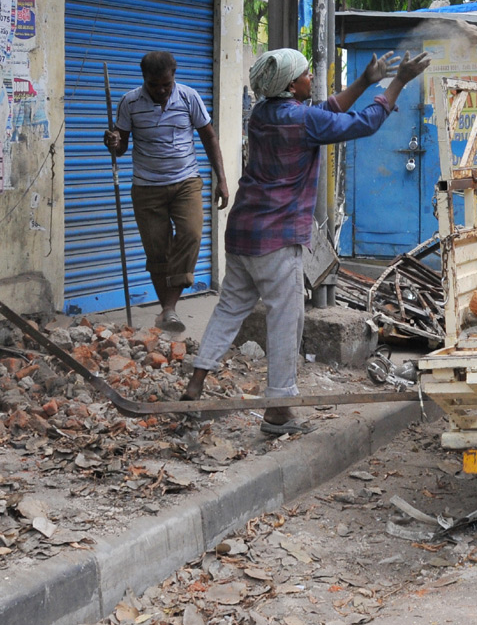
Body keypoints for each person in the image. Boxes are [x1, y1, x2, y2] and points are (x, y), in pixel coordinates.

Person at [183, 47, 431, 435]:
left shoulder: (262, 114)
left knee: (230, 308)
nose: (310, 80)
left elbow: (328, 109)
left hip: (243, 230)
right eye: (305, 76)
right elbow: (361, 123)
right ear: (291, 85)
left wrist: (367, 81)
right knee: (286, 319)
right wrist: (396, 83)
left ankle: (195, 385)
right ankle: (279, 408)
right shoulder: (302, 120)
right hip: (277, 237)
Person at [104, 51, 228, 333]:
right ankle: (169, 311)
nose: (160, 90)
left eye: (166, 85)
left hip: (186, 181)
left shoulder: (188, 98)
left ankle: (168, 308)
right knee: (157, 251)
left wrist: (222, 179)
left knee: (191, 234)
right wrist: (111, 141)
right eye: (154, 85)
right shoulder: (130, 102)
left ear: (174, 78)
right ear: (143, 79)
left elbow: (209, 136)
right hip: (146, 186)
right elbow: (120, 146)